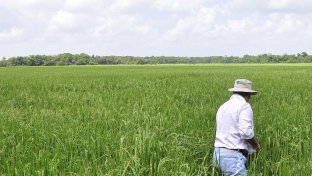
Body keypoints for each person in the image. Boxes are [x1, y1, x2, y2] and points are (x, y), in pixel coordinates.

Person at [213, 79, 260, 176]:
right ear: (248, 94)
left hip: (217, 155)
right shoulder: (244, 106)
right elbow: (246, 132)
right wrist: (256, 145)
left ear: (234, 92)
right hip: (232, 156)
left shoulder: (223, 106)